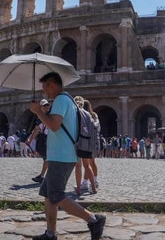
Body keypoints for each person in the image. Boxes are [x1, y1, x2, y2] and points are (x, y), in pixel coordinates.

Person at [29, 72, 106, 240]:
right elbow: (57, 123)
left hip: (62, 155)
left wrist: (38, 112)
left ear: (52, 85)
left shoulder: (60, 100)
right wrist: (44, 112)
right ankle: (50, 233)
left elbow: (54, 126)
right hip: (61, 154)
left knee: (56, 195)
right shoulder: (68, 100)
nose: (45, 92)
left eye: (45, 88)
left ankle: (93, 219)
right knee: (49, 195)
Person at [27, 99, 51, 183]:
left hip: (47, 139)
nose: (47, 107)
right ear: (41, 107)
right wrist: (30, 139)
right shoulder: (47, 116)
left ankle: (43, 176)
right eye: (45, 105)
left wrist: (30, 140)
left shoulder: (42, 117)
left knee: (47, 158)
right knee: (47, 158)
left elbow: (36, 130)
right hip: (47, 139)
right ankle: (43, 175)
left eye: (47, 105)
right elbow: (36, 130)